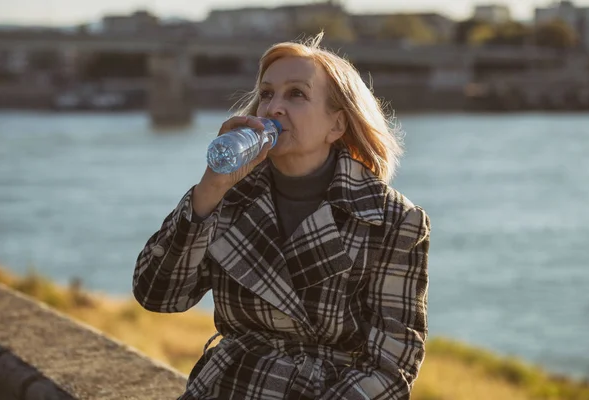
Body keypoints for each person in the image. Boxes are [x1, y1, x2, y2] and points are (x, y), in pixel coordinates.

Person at [133, 32, 431, 400]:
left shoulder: (393, 219)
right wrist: (208, 191)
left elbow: (392, 365)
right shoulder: (228, 197)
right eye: (267, 93)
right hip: (228, 388)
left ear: (336, 125)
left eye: (297, 94)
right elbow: (158, 295)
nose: (273, 108)